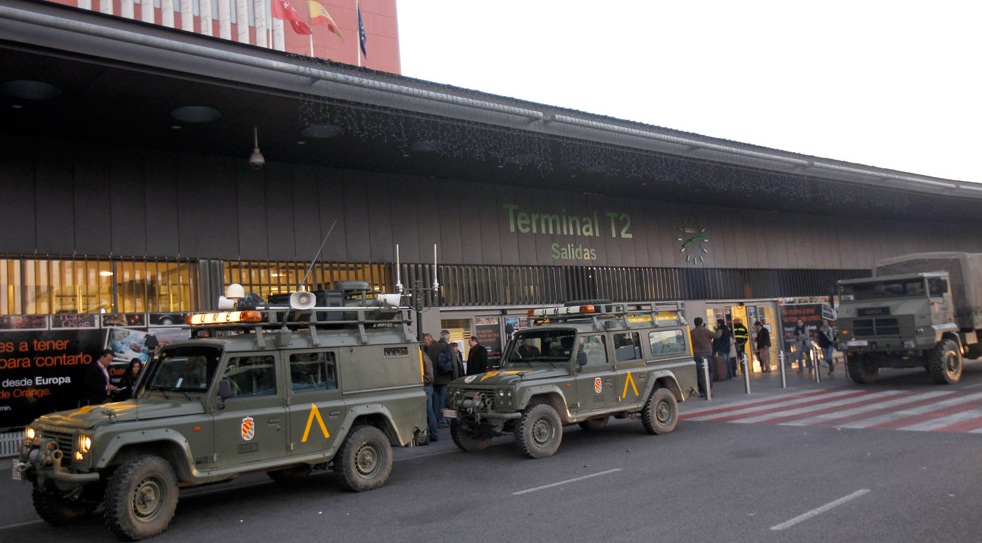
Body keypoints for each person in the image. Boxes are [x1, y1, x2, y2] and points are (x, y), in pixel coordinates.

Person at [426, 330, 454, 427]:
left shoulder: (431, 348)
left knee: (436, 401)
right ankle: (443, 420)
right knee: (444, 400)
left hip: (433, 379)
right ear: (448, 338)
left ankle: (437, 419)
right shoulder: (447, 347)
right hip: (445, 378)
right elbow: (453, 364)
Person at [690, 317, 714, 396]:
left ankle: (702, 390)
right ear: (701, 322)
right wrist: (720, 329)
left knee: (699, 373)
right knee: (709, 372)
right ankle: (708, 389)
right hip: (707, 354)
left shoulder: (692, 332)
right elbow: (716, 335)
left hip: (697, 354)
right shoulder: (705, 330)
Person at [420, 346, 438, 443]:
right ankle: (433, 434)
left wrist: (424, 381)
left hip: (426, 386)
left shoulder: (421, 355)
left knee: (428, 411)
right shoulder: (424, 355)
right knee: (429, 411)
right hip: (428, 385)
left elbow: (429, 374)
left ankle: (432, 434)